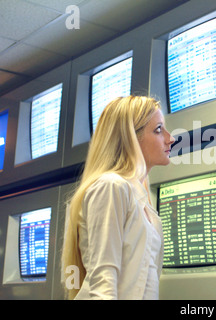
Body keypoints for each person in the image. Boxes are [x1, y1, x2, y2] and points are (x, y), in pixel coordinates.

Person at [61, 95, 175, 300]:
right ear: (131, 137)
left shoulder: (144, 204)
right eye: (158, 130)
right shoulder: (111, 186)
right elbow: (104, 281)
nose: (170, 138)